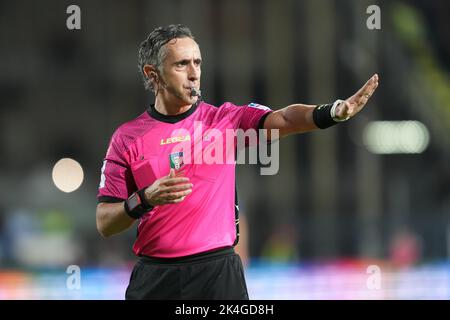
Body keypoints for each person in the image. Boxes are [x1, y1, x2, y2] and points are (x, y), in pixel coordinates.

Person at [96, 24, 379, 300]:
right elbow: (105, 223)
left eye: (198, 63)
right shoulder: (127, 138)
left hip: (217, 275)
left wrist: (332, 112)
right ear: (153, 74)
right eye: (182, 64)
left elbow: (287, 119)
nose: (194, 73)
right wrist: (144, 198)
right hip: (155, 278)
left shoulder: (225, 121)